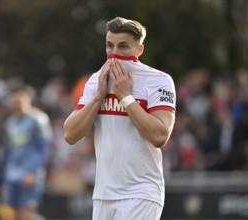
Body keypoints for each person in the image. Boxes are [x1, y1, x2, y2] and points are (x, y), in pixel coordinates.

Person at [64, 17, 176, 220]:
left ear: (139, 50)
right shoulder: (96, 80)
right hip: (103, 193)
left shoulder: (159, 80)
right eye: (109, 45)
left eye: (123, 46)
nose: (114, 53)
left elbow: (160, 135)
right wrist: (99, 96)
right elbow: (70, 134)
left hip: (141, 191)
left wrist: (125, 96)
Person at [1, 85, 50, 220]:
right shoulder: (9, 123)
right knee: (13, 214)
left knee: (27, 214)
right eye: (14, 102)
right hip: (12, 174)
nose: (16, 105)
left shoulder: (38, 120)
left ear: (27, 99)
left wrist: (33, 172)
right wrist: (4, 180)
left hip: (29, 174)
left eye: (19, 102)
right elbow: (7, 152)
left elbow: (43, 149)